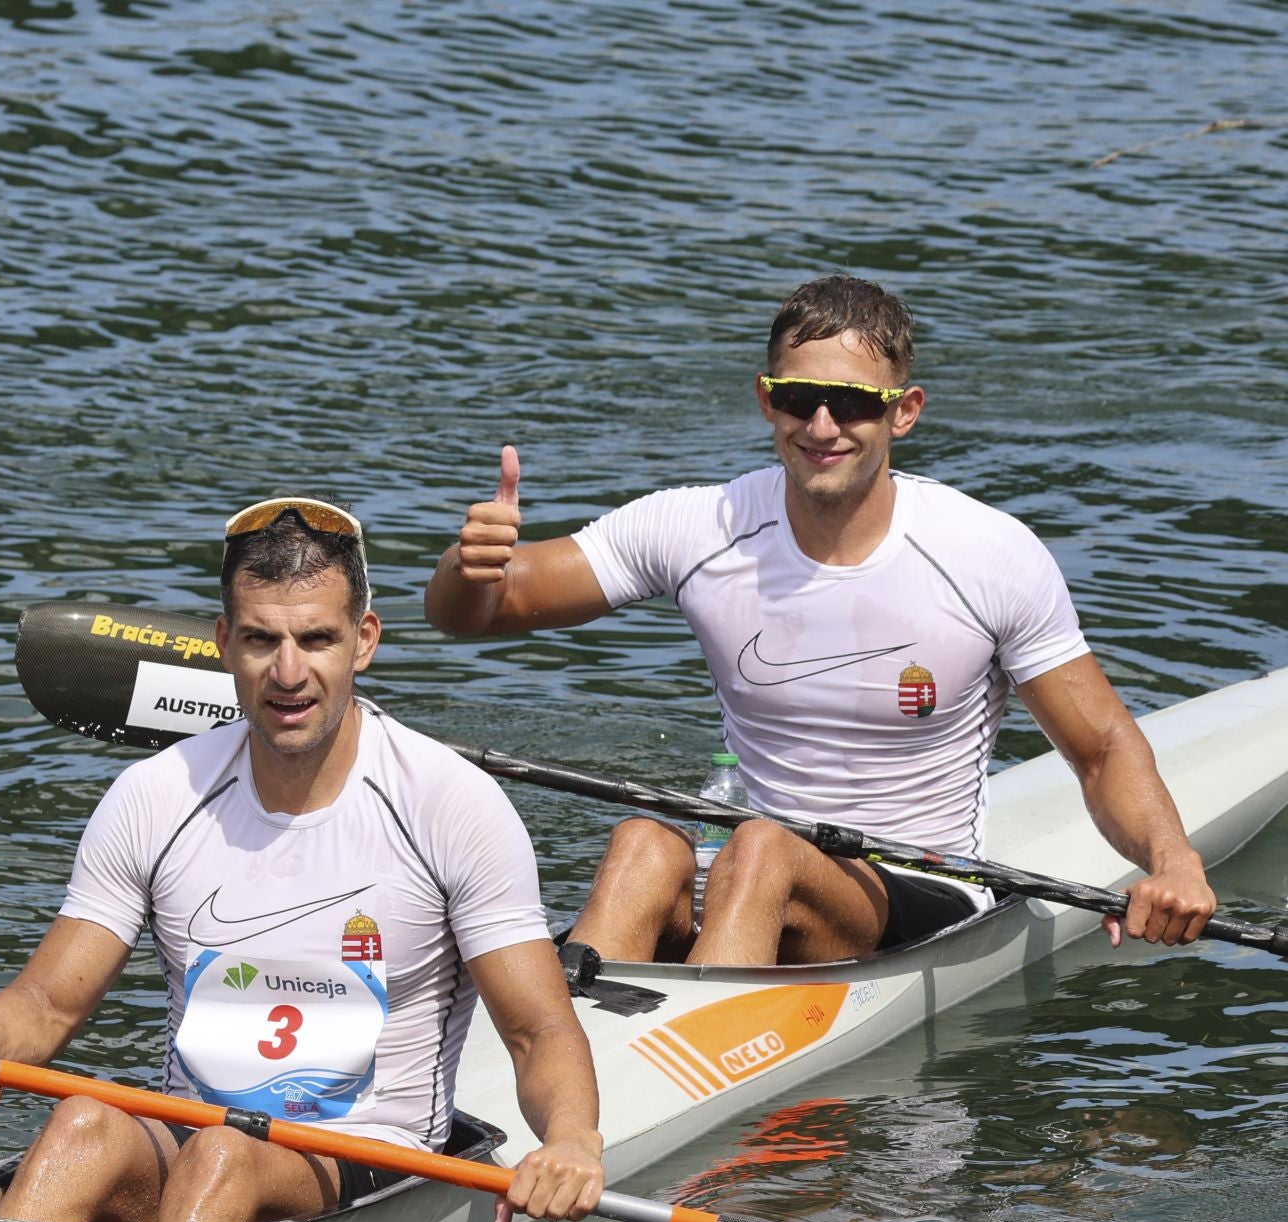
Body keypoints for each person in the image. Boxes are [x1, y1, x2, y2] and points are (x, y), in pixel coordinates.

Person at [423, 274, 1218, 968]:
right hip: (748, 866)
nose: (823, 427)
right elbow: (477, 615)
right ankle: (565, 1043)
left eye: (855, 404)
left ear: (904, 412)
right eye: (800, 399)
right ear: (767, 399)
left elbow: (1099, 748)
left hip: (923, 887)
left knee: (764, 848)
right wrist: (471, 566)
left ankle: (693, 1054)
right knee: (643, 843)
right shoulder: (699, 525)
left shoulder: (987, 554)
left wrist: (1173, 860)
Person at [0, 496, 605, 1222]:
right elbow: (47, 1005)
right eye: (262, 640)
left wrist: (572, 1139)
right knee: (82, 1122)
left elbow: (537, 1031)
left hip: (371, 1157)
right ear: (224, 642)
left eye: (316, 639)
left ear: (363, 641)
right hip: (192, 1137)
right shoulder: (157, 795)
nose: (288, 673)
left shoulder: (450, 805)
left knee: (224, 1156)